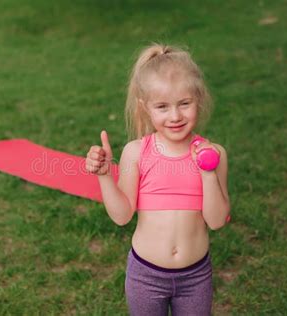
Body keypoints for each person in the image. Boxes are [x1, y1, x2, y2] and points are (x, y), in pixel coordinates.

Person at [85, 43, 230, 316]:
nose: (175, 116)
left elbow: (217, 220)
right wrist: (105, 176)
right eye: (162, 106)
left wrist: (207, 172)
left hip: (195, 277)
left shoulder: (214, 154)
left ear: (197, 99)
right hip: (146, 276)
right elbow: (122, 215)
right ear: (145, 107)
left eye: (184, 104)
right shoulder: (137, 152)